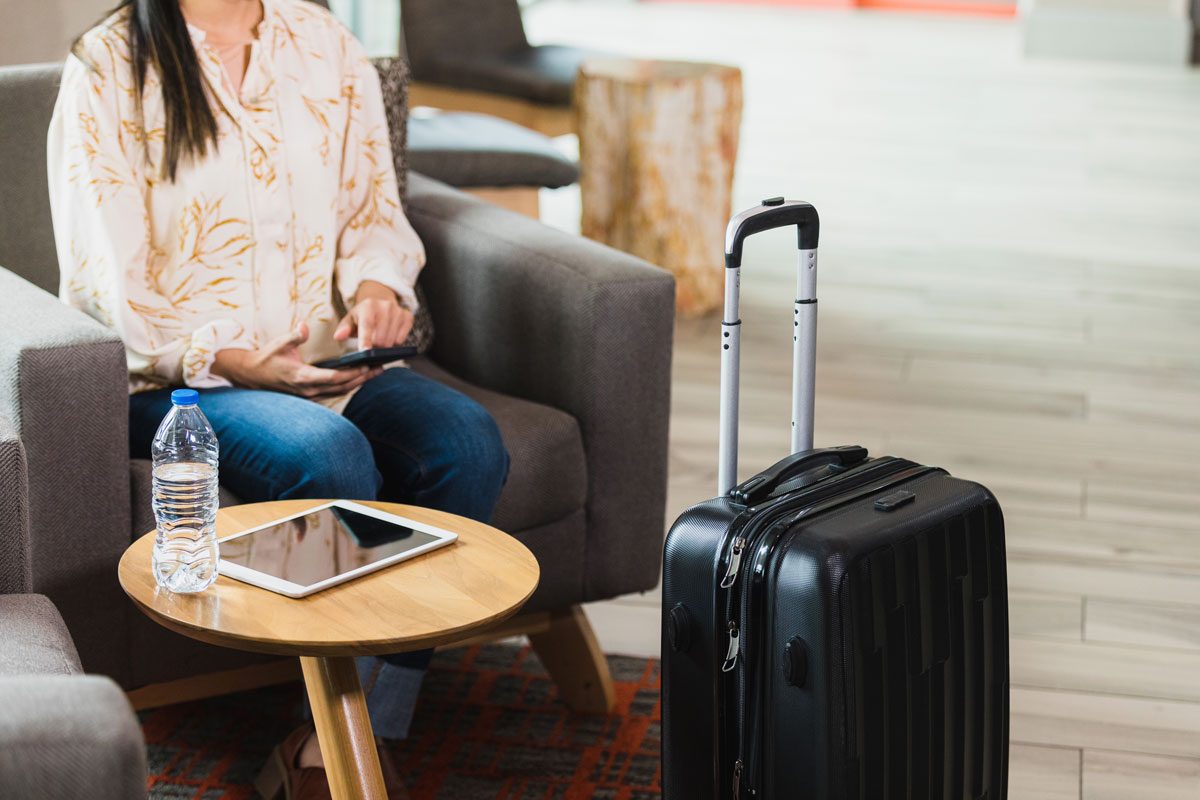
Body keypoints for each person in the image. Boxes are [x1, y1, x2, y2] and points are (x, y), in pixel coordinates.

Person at [47, 0, 510, 796]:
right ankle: (351, 744)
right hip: (181, 378)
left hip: (333, 366)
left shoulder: (323, 42)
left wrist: (375, 290)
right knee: (323, 454)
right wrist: (234, 358)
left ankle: (347, 733)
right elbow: (106, 285)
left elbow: (373, 214)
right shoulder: (110, 63)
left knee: (468, 446)